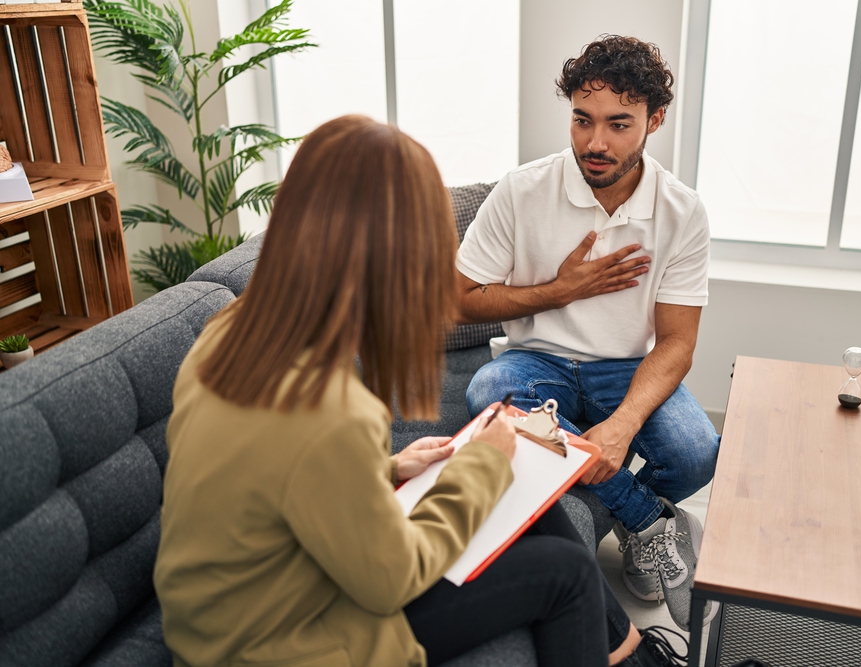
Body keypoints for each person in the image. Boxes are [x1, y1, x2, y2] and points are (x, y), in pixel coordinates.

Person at [154, 115, 686, 667]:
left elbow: (273, 474)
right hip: (282, 642)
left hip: (245, 609)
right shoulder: (330, 408)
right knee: (566, 572)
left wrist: (386, 469)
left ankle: (636, 659)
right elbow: (388, 579)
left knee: (529, 494)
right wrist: (477, 468)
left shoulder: (231, 327)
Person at [457, 36, 721, 630]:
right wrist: (559, 291)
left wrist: (621, 426)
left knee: (697, 453)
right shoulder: (523, 190)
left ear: (654, 120)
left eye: (618, 124)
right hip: (534, 364)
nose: (595, 142)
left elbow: (677, 342)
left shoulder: (682, 211)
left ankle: (629, 516)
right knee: (488, 397)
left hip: (623, 368)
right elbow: (459, 300)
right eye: (582, 120)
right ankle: (649, 524)